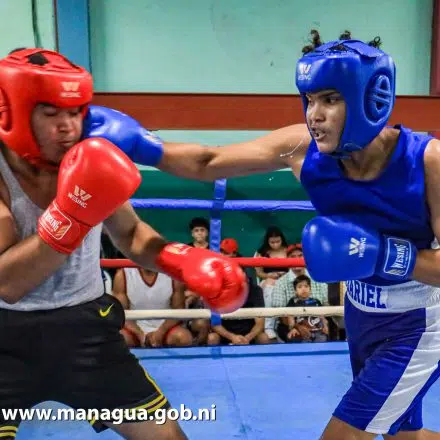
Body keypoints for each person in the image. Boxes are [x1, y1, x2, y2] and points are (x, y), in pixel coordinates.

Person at [91, 29, 440, 440]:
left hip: (418, 323)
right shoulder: (302, 147)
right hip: (362, 314)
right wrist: (142, 145)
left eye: (330, 99)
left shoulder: (427, 160)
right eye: (309, 99)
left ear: (371, 97)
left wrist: (382, 254)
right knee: (403, 437)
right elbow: (208, 161)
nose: (314, 114)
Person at [0, 48, 248, 440]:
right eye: (51, 113)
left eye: (75, 112)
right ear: (11, 112)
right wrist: (72, 213)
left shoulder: (88, 153)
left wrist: (180, 259)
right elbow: (8, 283)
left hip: (85, 329)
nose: (67, 127)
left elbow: (131, 234)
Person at [277, 274, 329, 343]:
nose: (303, 289)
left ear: (310, 289)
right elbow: (290, 319)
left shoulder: (316, 301)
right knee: (294, 338)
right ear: (295, 291)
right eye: (300, 287)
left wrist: (325, 326)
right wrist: (293, 328)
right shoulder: (293, 302)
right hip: (301, 332)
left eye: (306, 286)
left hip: (317, 331)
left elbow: (322, 317)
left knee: (323, 340)